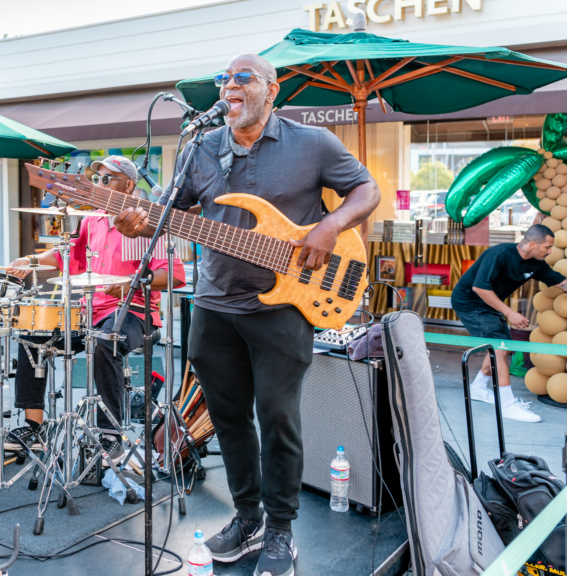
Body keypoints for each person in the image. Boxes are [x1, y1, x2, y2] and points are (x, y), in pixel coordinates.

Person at [115, 53, 380, 576]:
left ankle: (281, 529)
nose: (229, 87)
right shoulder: (200, 147)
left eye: (242, 78)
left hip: (283, 305)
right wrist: (137, 223)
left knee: (278, 419)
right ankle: (247, 518)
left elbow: (366, 190)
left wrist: (330, 227)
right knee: (228, 419)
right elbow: (165, 212)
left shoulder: (313, 143)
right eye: (224, 80)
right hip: (214, 306)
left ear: (271, 90)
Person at [4, 155, 185, 460]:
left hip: (135, 312)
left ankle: (109, 434)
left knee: (104, 341)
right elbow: (65, 255)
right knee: (32, 337)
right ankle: (34, 428)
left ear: (129, 185)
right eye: (98, 178)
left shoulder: (148, 222)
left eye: (108, 178)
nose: (101, 184)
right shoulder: (92, 220)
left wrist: (130, 283)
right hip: (92, 311)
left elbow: (174, 274)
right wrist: (29, 260)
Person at [451, 223, 567, 423]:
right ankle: (507, 405)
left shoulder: (536, 264)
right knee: (499, 349)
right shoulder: (499, 254)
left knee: (504, 348)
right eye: (547, 247)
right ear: (533, 245)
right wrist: (510, 313)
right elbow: (480, 288)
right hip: (470, 302)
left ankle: (478, 388)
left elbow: (566, 284)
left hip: (490, 304)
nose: (550, 252)